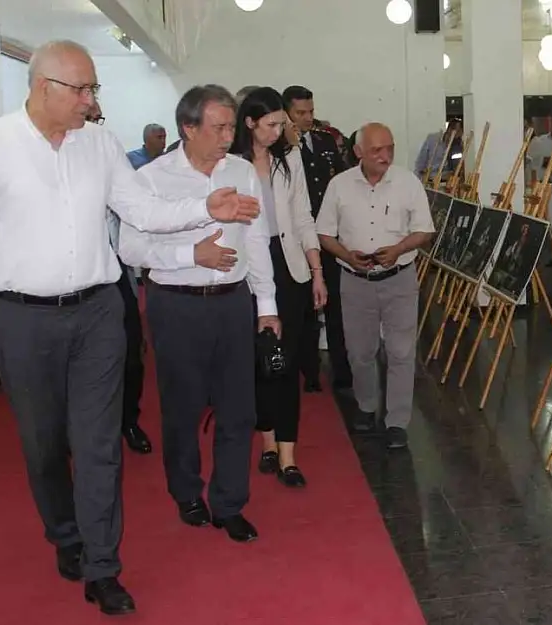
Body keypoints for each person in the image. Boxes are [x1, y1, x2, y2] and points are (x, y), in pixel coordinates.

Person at [0, 40, 259, 615]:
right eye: (84, 90)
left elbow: (141, 210)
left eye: (94, 89)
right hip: (20, 317)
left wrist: (203, 211)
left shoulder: (100, 145)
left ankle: (102, 564)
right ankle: (66, 536)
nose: (93, 102)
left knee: (98, 447)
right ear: (45, 87)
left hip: (97, 312)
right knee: (45, 446)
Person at [119, 84, 276, 544]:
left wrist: (266, 306)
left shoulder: (243, 172)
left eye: (232, 126)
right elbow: (130, 247)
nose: (229, 136)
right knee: (183, 410)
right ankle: (187, 492)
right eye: (219, 127)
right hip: (176, 306)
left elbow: (256, 240)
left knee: (238, 411)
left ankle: (230, 503)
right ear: (188, 128)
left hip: (232, 304)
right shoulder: (152, 178)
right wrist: (192, 254)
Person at [230, 87, 328, 487]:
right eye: (271, 124)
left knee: (285, 363)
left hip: (289, 267)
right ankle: (267, 443)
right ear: (250, 123)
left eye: (281, 124)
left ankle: (288, 453)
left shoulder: (289, 159)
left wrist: (317, 269)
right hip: (245, 270)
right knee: (258, 362)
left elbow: (303, 217)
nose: (278, 131)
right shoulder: (230, 163)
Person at [317, 122, 435, 449]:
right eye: (376, 150)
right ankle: (366, 406)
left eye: (390, 148)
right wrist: (347, 256)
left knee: (400, 352)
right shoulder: (339, 185)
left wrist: (398, 249)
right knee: (360, 352)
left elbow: (425, 230)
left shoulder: (408, 183)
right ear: (358, 153)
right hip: (355, 281)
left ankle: (397, 421)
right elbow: (325, 233)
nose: (385, 156)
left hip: (399, 279)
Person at [87, 101, 152, 455]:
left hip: (116, 272)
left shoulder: (112, 159)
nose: (96, 123)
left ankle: (129, 420)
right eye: (89, 118)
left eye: (98, 117)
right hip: (79, 278)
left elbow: (138, 212)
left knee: (130, 354)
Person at [282, 85, 352, 394]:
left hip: (327, 235)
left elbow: (341, 181)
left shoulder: (325, 141)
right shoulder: (279, 149)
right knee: (304, 309)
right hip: (296, 239)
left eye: (311, 111)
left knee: (335, 304)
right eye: (301, 113)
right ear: (287, 113)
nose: (308, 117)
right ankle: (308, 369)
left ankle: (341, 370)